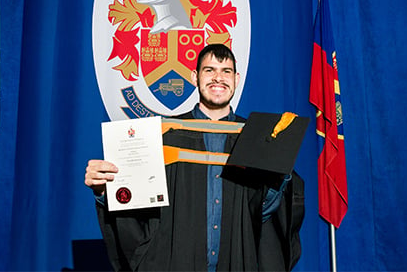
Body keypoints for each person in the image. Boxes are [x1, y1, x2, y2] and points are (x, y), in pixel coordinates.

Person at [85, 43, 304, 271]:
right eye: (209, 70)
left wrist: (278, 175)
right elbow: (134, 208)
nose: (218, 78)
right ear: (194, 77)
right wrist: (104, 190)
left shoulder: (254, 139)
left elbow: (264, 213)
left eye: (226, 71)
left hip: (235, 261)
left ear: (236, 79)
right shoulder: (165, 135)